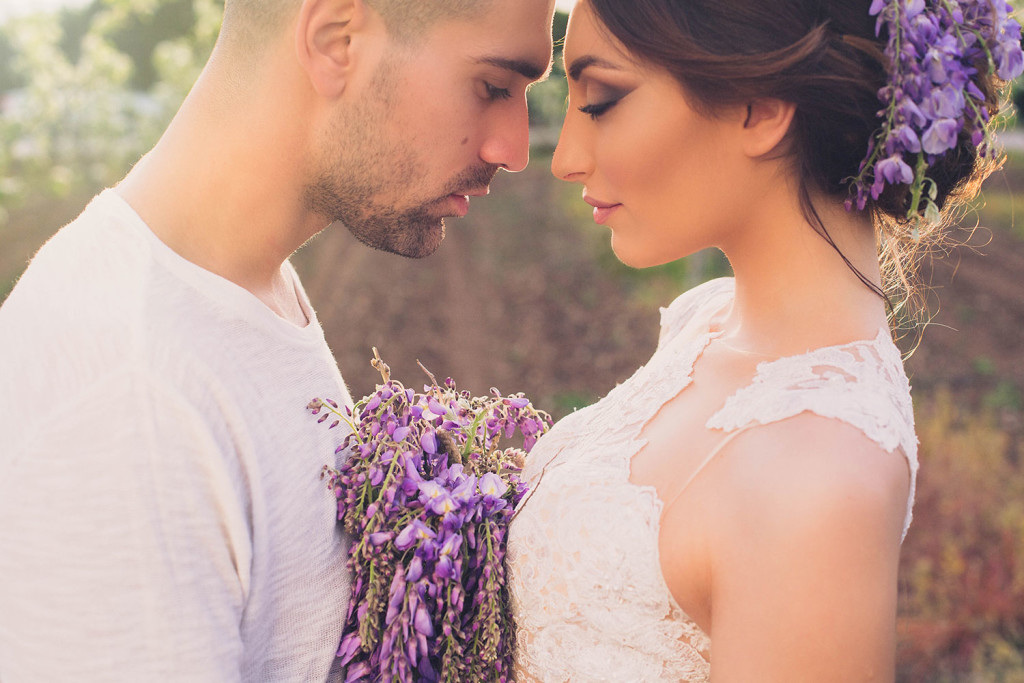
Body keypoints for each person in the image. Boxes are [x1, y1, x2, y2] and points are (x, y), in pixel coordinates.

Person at [0, 0, 555, 679]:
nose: (515, 149)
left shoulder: (245, 291)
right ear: (335, 42)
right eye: (492, 87)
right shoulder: (127, 390)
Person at [507, 0, 1020, 680]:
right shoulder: (708, 317)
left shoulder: (816, 477)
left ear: (760, 109)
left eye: (601, 99)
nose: (564, 157)